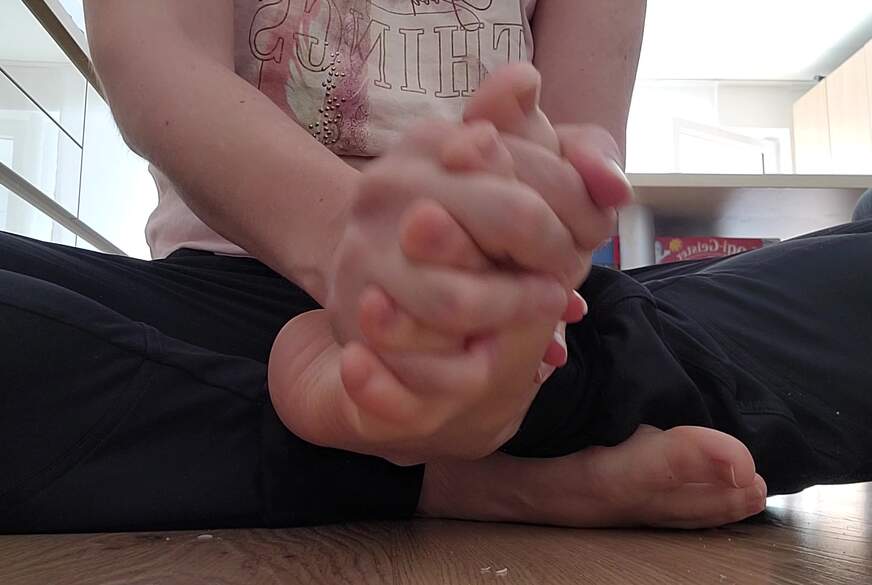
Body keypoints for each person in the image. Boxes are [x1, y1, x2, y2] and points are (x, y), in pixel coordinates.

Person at [1, 0, 869, 535]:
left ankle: (424, 440)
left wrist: (512, 276)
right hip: (221, 308)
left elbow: (580, 143)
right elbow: (155, 58)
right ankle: (455, 477)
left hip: (518, 337)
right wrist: (358, 254)